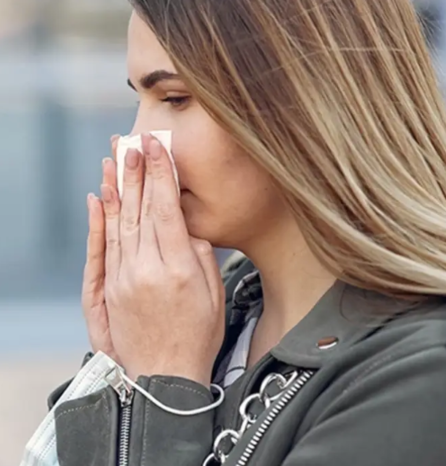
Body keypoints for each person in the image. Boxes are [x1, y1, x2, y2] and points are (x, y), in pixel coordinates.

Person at [46, 1, 446, 465]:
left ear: (308, 103)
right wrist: (123, 372)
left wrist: (164, 387)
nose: (136, 143)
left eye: (175, 99)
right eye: (139, 100)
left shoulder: (417, 376)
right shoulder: (205, 316)